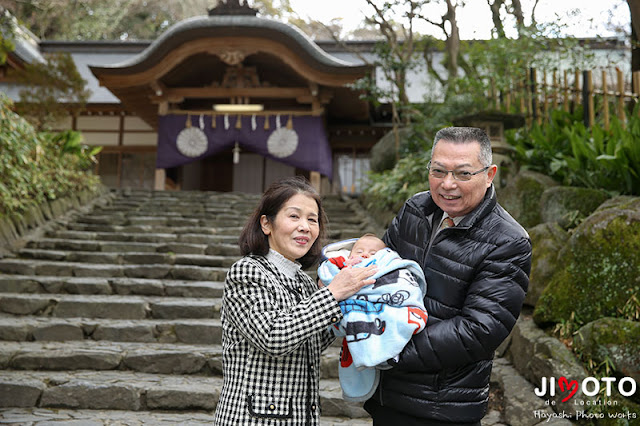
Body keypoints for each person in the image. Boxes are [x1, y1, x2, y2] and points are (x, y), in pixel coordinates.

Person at [364, 127, 532, 425]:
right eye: (438, 171)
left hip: (444, 406)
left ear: (490, 174)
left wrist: (391, 350)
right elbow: (381, 270)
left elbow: (479, 329)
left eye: (463, 174)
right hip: (387, 395)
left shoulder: (509, 241)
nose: (447, 184)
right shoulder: (416, 209)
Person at [213, 176, 378, 425]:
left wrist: (351, 298)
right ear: (266, 224)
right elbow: (273, 337)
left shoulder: (303, 280)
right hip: (253, 419)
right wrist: (332, 294)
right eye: (294, 216)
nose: (305, 227)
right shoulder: (247, 271)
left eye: (312, 220)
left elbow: (311, 341)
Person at [317, 234, 428, 402]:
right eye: (359, 251)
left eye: (373, 252)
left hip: (382, 299)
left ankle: (383, 347)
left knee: (395, 316)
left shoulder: (389, 266)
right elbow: (331, 278)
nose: (365, 255)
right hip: (356, 304)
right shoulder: (344, 266)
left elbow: (402, 286)